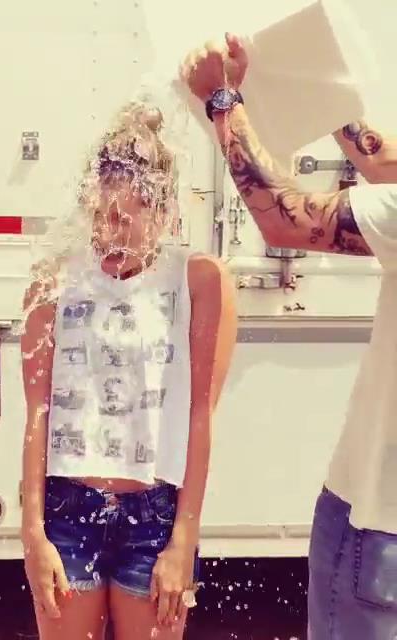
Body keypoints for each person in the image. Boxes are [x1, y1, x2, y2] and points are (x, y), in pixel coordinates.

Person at [183, 34, 397, 639]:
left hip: (379, 520)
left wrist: (221, 100)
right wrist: (310, 87)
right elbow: (385, 164)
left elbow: (286, 219)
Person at [19, 102, 237, 639]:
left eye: (122, 218)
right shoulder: (54, 281)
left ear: (161, 212)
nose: (106, 232)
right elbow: (37, 413)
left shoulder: (198, 281)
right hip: (68, 511)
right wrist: (33, 535)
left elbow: (201, 416)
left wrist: (183, 539)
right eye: (97, 216)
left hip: (155, 519)